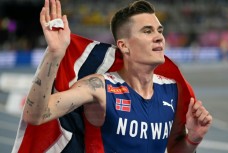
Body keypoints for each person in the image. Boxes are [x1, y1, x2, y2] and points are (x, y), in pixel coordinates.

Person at [23, 0, 212, 152]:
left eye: (159, 31)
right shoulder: (99, 88)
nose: (159, 37)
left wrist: (193, 140)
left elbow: (175, 149)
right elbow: (35, 115)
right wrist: (55, 53)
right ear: (124, 46)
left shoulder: (171, 90)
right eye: (147, 31)